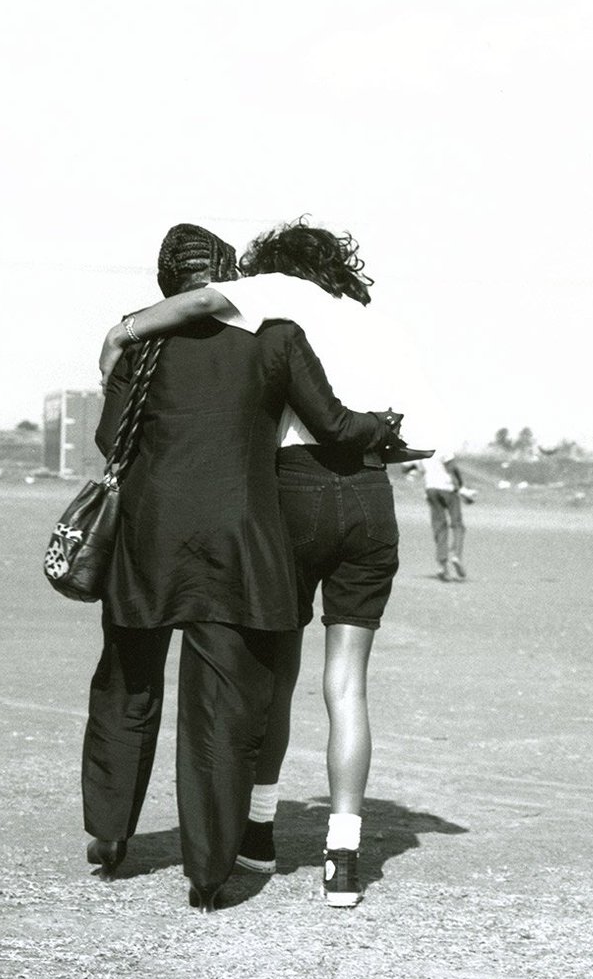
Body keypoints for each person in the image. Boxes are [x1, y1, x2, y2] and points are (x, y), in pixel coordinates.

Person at [98, 218, 427, 907]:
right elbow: (359, 425)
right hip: (303, 518)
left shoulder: (205, 328)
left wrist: (122, 336)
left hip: (220, 517)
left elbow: (117, 429)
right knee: (286, 694)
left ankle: (182, 832)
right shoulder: (323, 331)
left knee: (197, 682)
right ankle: (275, 864)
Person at [406, 449, 472, 581]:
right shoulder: (443, 446)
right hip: (447, 488)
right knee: (457, 524)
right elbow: (452, 467)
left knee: (439, 526)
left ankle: (442, 566)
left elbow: (413, 469)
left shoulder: (422, 449)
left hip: (431, 488)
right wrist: (461, 486)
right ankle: (456, 555)